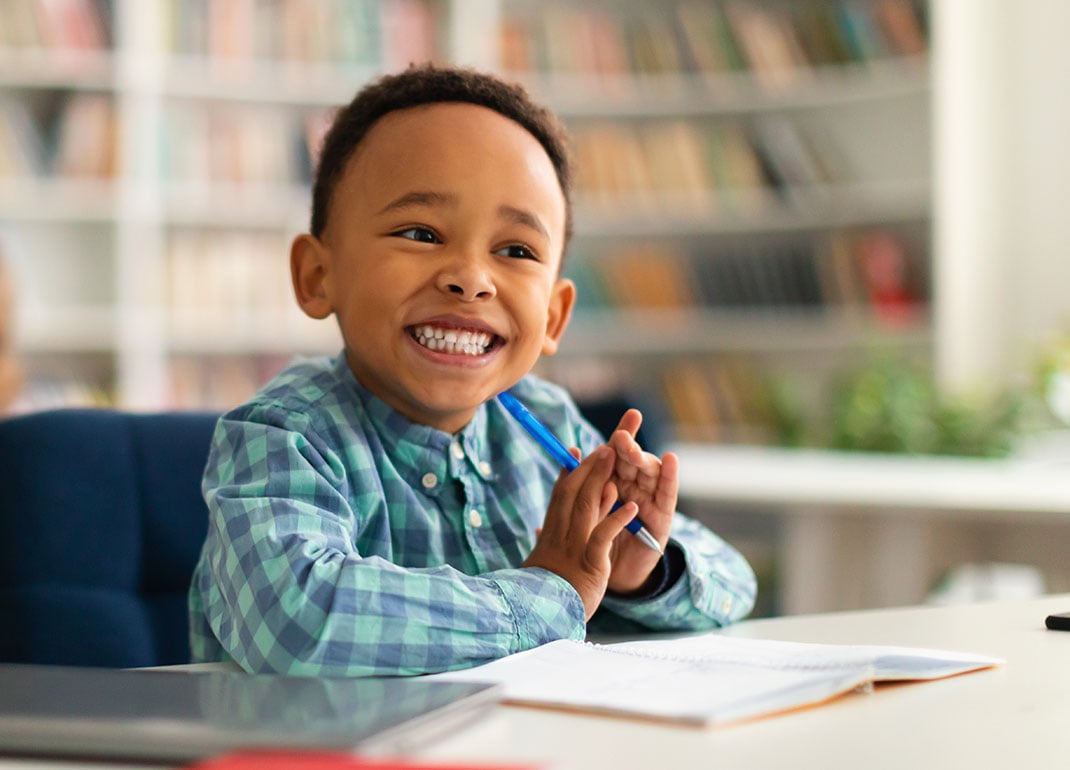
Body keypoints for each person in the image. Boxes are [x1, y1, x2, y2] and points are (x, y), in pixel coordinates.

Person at [188, 64, 756, 677]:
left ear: (555, 316)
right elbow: (295, 617)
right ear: (317, 276)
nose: (470, 277)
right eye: (421, 232)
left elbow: (734, 579)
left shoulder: (548, 425)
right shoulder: (283, 435)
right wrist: (550, 592)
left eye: (515, 250)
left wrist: (637, 569)